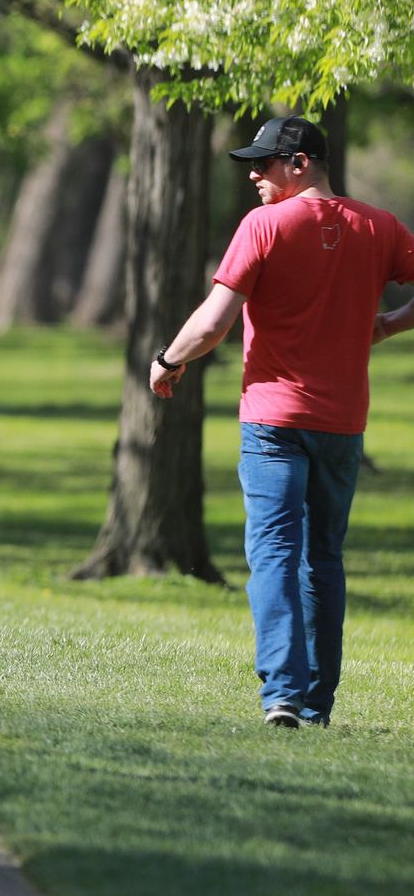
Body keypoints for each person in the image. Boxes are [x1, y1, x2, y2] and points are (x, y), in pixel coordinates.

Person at [153, 114, 414, 729]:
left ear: (300, 164)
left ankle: (283, 697)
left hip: (273, 421)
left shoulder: (264, 226)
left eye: (264, 163)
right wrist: (388, 325)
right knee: (323, 559)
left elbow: (213, 322)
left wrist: (167, 361)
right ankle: (315, 705)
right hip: (342, 424)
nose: (253, 175)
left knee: (273, 552)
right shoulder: (378, 227)